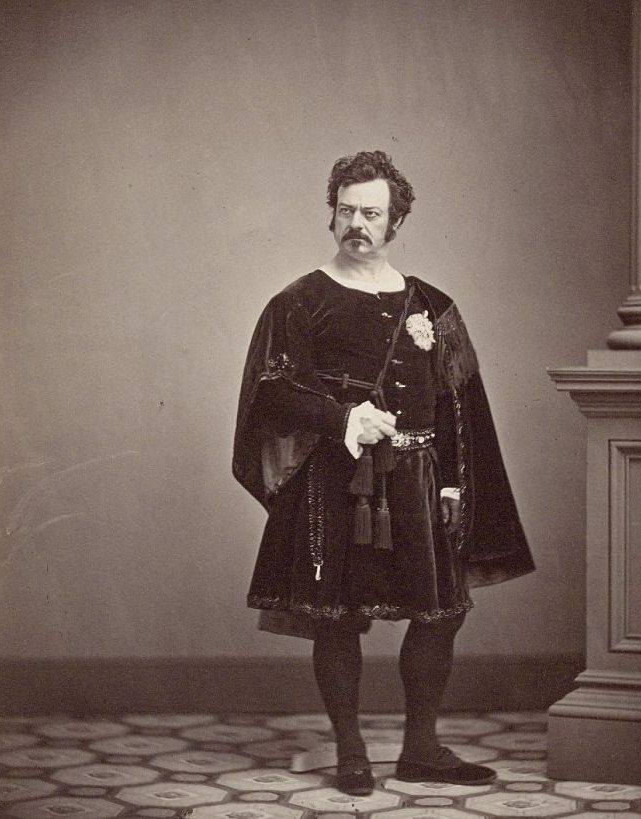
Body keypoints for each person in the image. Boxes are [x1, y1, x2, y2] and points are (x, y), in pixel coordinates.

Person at [232, 150, 534, 796]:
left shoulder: (433, 304)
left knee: (441, 612)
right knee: (336, 616)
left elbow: (457, 403)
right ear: (331, 215)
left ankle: (421, 747)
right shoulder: (298, 303)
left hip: (418, 482)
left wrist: (452, 483)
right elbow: (271, 390)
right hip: (336, 484)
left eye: (371, 213)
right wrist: (343, 416)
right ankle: (350, 750)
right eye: (346, 211)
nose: (357, 225)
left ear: (396, 220)